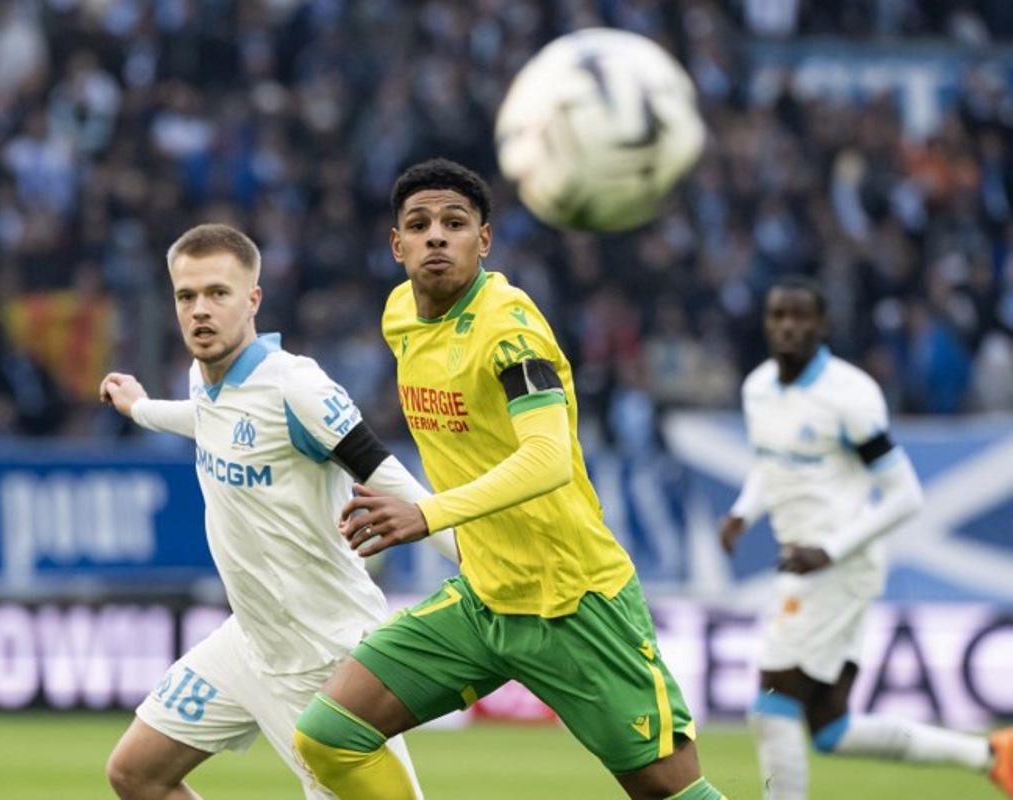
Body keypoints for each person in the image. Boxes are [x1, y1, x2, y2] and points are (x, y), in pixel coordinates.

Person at [292, 158, 728, 800]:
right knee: (329, 733)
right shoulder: (399, 318)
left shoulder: (510, 330)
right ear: (397, 244)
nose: (436, 235)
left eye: (454, 222)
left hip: (572, 602)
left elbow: (548, 458)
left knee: (671, 792)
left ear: (484, 241)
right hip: (482, 601)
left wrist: (428, 513)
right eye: (419, 224)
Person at [100, 222, 457, 800]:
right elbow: (208, 420)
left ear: (253, 300)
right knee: (136, 773)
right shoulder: (204, 379)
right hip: (250, 642)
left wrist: (477, 557)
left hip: (328, 658)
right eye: (186, 296)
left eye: (218, 293)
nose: (200, 310)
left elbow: (388, 475)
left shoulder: (297, 388)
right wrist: (141, 409)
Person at [717, 276, 1013, 800]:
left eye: (799, 317)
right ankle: (991, 755)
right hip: (805, 561)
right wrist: (742, 513)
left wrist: (828, 550)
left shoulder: (850, 395)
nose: (787, 327)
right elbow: (771, 461)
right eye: (777, 316)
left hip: (838, 564)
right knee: (831, 729)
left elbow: (905, 494)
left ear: (822, 325)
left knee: (771, 703)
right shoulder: (758, 388)